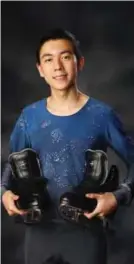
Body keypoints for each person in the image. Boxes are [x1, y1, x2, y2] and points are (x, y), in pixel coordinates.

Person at [1, 28, 134, 264]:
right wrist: (4, 193)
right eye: (49, 59)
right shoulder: (29, 117)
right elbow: (12, 165)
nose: (58, 67)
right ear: (40, 70)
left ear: (79, 62)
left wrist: (119, 196)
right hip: (39, 232)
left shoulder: (101, 115)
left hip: (86, 231)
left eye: (65, 57)